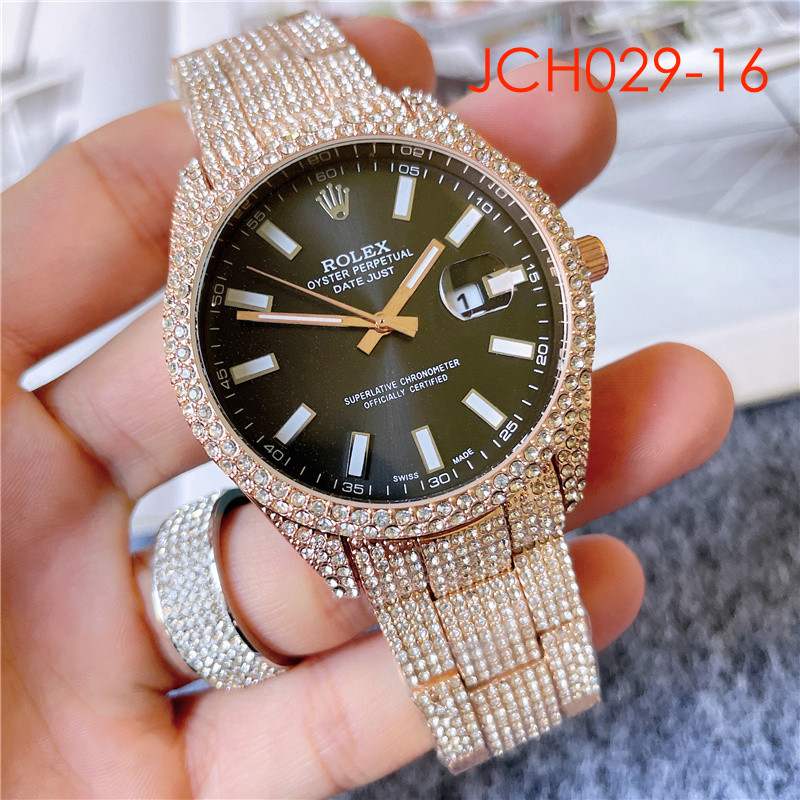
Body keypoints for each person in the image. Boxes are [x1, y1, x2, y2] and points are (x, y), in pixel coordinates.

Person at [1, 16, 733, 799]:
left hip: (479, 446)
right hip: (369, 479)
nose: (386, 328)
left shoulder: (426, 159)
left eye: (390, 318)